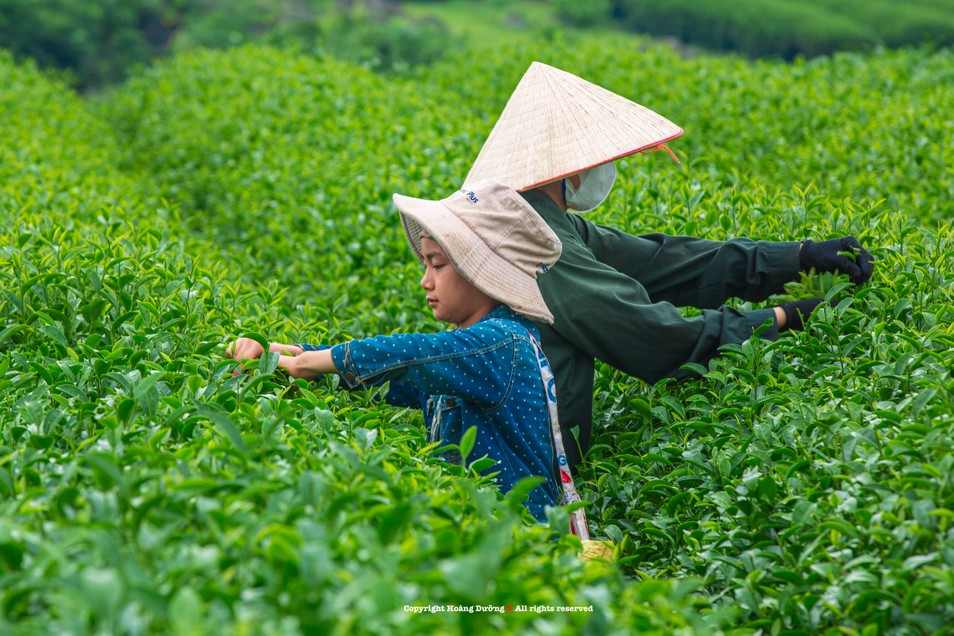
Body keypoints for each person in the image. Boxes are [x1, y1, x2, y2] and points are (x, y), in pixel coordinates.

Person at [465, 62, 875, 468]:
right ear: (570, 166)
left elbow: (663, 262)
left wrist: (798, 256)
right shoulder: (533, 240)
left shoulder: (548, 223)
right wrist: (783, 318)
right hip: (523, 468)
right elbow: (651, 337)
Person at [227, 179, 565, 521]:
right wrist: (285, 352)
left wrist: (305, 363)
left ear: (479, 272)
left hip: (519, 536)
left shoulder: (502, 342)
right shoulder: (473, 347)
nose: (425, 280)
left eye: (437, 264)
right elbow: (386, 377)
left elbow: (409, 354)